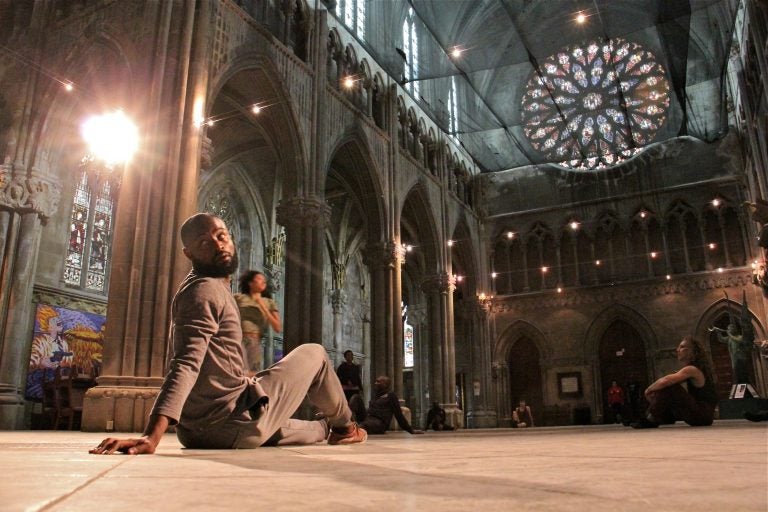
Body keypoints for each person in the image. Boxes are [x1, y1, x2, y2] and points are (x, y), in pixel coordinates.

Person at [90, 213, 366, 455]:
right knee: (315, 353)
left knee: (310, 429)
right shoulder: (205, 290)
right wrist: (152, 436)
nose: (218, 245)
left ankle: (327, 427)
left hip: (201, 433)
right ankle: (345, 427)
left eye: (221, 236)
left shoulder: (202, 287)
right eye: (204, 243)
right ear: (189, 253)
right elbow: (185, 363)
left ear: (231, 239)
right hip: (234, 421)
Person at [631, 336, 718, 429]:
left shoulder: (692, 369)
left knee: (669, 386)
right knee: (667, 386)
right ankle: (665, 417)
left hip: (702, 416)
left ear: (692, 351)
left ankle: (651, 419)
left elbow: (666, 381)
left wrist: (648, 390)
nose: (677, 350)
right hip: (703, 416)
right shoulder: (694, 369)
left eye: (682, 347)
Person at [234, 270, 282, 376]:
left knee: (252, 374)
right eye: (259, 279)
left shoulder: (269, 302)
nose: (263, 282)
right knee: (238, 372)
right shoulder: (238, 298)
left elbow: (278, 327)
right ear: (250, 283)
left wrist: (262, 305)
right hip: (238, 339)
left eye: (264, 280)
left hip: (254, 341)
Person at [348, 375, 424, 435]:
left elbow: (399, 415)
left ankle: (353, 428)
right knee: (356, 397)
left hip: (379, 423)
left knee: (363, 426)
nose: (375, 383)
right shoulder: (376, 395)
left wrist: (411, 430)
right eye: (376, 381)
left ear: (385, 384)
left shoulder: (391, 396)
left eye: (378, 382)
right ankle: (348, 421)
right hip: (368, 418)